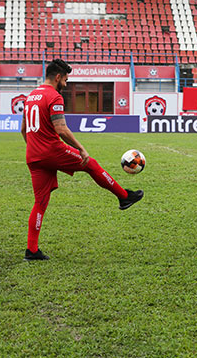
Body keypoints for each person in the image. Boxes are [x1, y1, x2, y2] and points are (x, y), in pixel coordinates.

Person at [20, 59, 143, 261]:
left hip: (34, 156)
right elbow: (60, 129)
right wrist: (81, 148)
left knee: (40, 203)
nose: (66, 84)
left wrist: (34, 147)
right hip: (52, 150)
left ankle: (32, 250)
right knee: (90, 163)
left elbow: (23, 129)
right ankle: (123, 197)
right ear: (58, 77)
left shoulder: (31, 96)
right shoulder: (54, 96)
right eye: (66, 80)